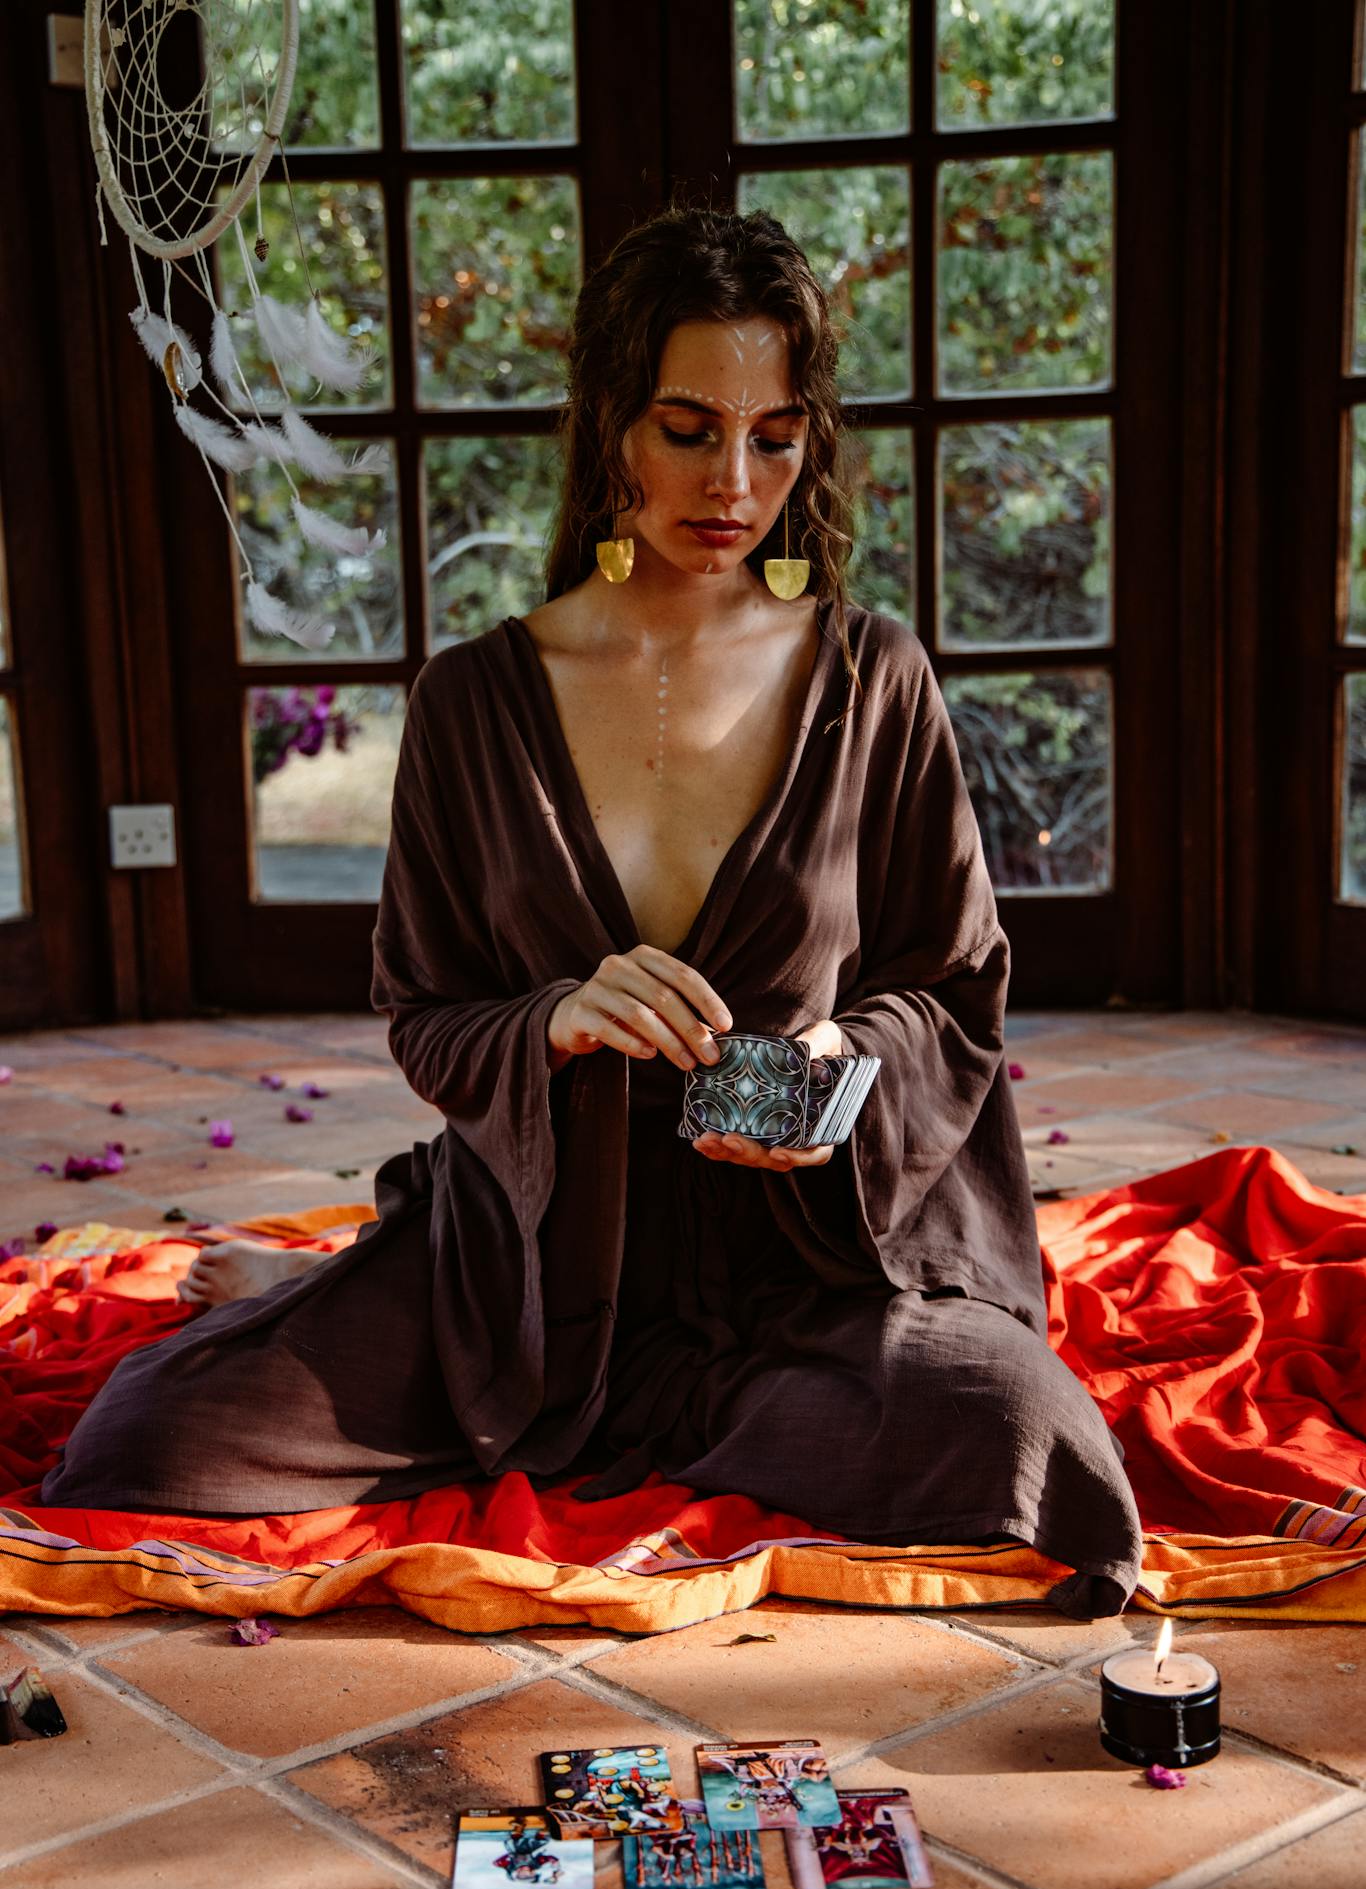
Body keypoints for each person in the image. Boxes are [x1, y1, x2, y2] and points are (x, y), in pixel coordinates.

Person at [39, 206, 1142, 1616]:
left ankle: (580, 1368)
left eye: (774, 434)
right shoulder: (470, 703)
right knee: (147, 1437)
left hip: (805, 1269)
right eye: (685, 428)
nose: (732, 481)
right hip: (528, 1266)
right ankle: (389, 1291)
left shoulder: (873, 679)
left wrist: (834, 1060)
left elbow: (952, 983)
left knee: (1020, 1440)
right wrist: (553, 1019)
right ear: (608, 420)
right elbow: (427, 1014)